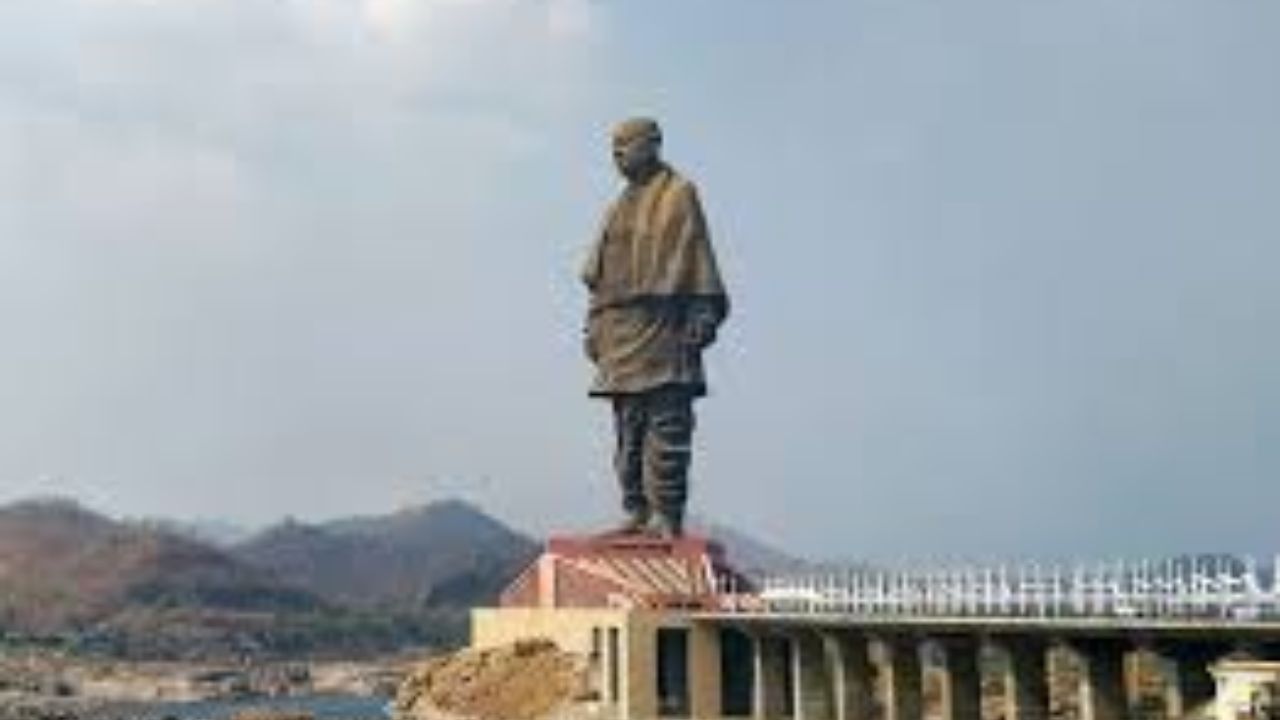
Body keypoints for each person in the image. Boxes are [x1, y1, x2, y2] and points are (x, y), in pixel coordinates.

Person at [580, 117, 729, 539]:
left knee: (667, 429)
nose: (617, 156)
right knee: (628, 434)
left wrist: (701, 314)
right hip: (619, 333)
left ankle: (666, 513)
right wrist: (592, 326)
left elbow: (697, 258)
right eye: (613, 149)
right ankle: (635, 509)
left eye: (624, 146)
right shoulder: (617, 206)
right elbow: (599, 277)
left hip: (664, 328)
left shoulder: (680, 194)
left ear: (653, 145)